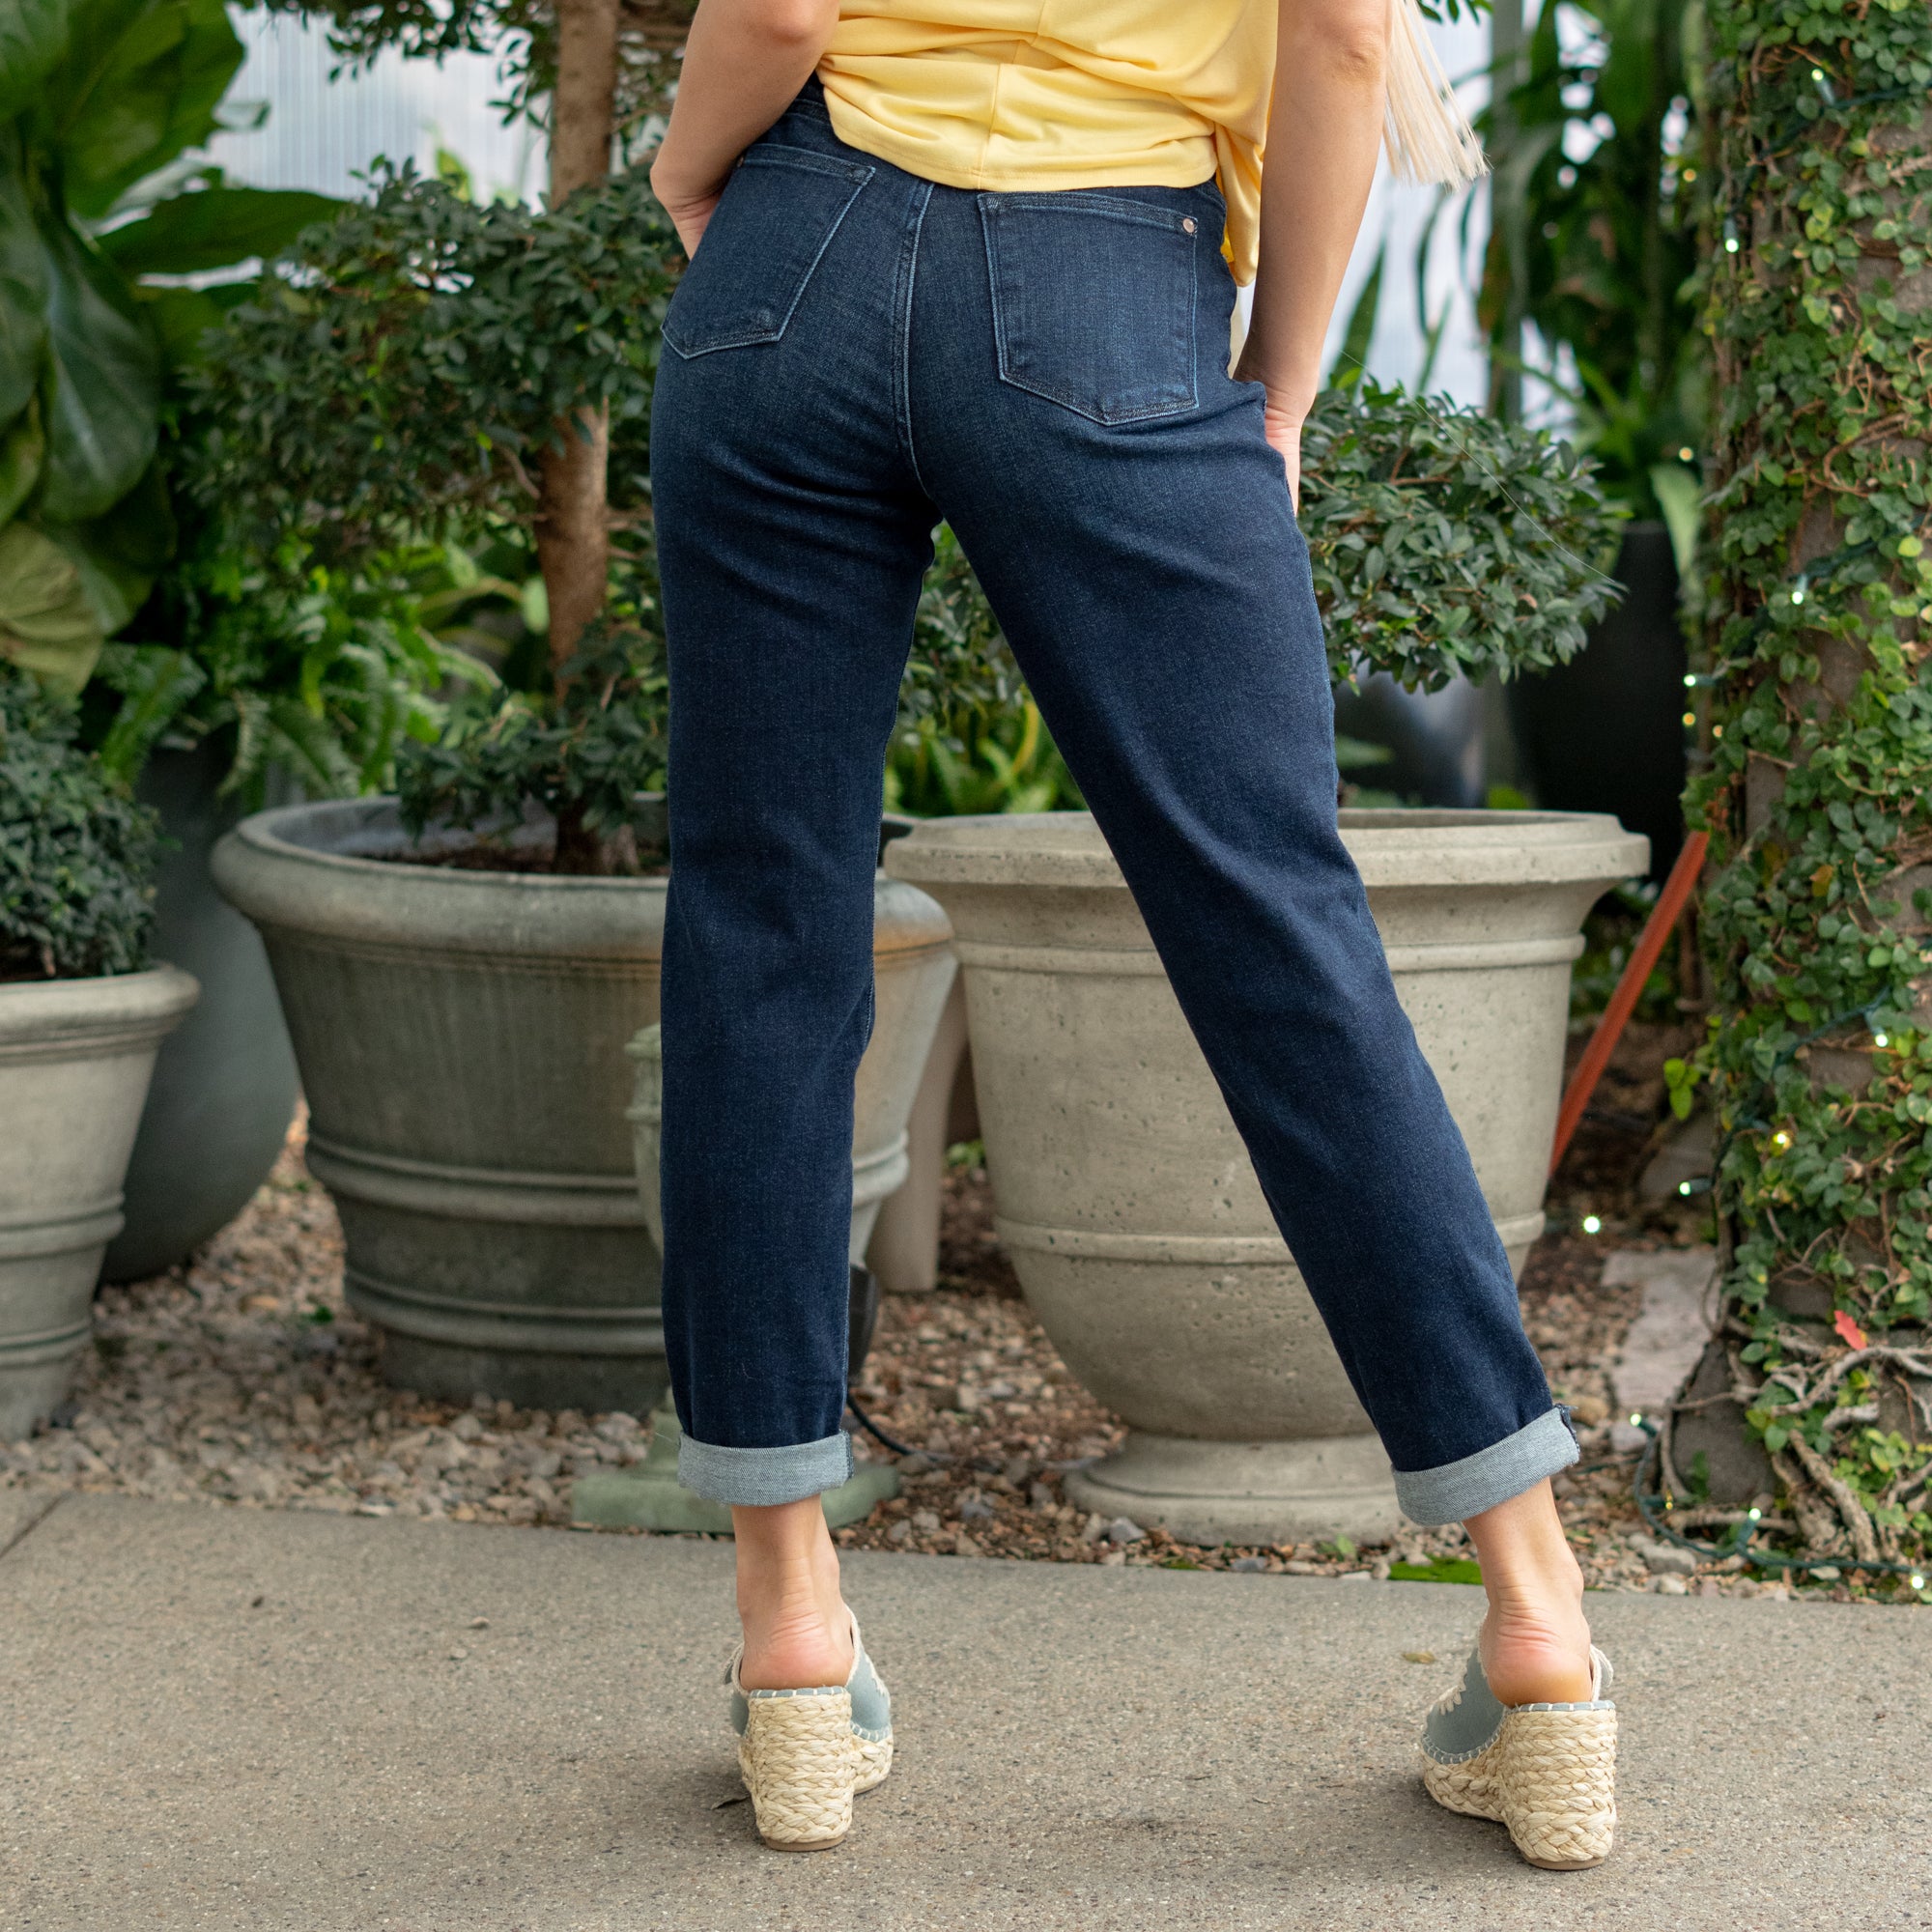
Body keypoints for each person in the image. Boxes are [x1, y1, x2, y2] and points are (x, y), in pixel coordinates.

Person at [644, 0, 1616, 1869]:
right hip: (1110, 281)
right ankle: (1537, 1622)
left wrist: (694, 173)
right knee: (1281, 931)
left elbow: (776, 10)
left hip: (795, 259)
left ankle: (789, 1633)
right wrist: (1284, 391)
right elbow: (1344, 45)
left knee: (763, 920)